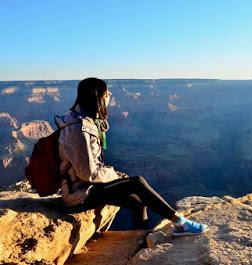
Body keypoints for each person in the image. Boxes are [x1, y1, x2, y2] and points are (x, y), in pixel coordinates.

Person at [55, 77, 208, 236]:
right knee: (137, 182)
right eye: (107, 93)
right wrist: (113, 175)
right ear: (98, 96)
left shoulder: (86, 122)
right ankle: (180, 222)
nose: (110, 95)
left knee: (137, 201)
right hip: (78, 194)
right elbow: (87, 174)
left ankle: (139, 241)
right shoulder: (78, 130)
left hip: (87, 188)